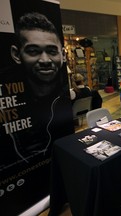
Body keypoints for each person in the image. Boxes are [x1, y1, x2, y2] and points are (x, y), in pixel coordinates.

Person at [0, 12, 73, 163]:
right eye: (33, 51)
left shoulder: (65, 95)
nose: (45, 60)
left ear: (63, 54)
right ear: (16, 54)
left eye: (52, 51)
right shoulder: (6, 95)